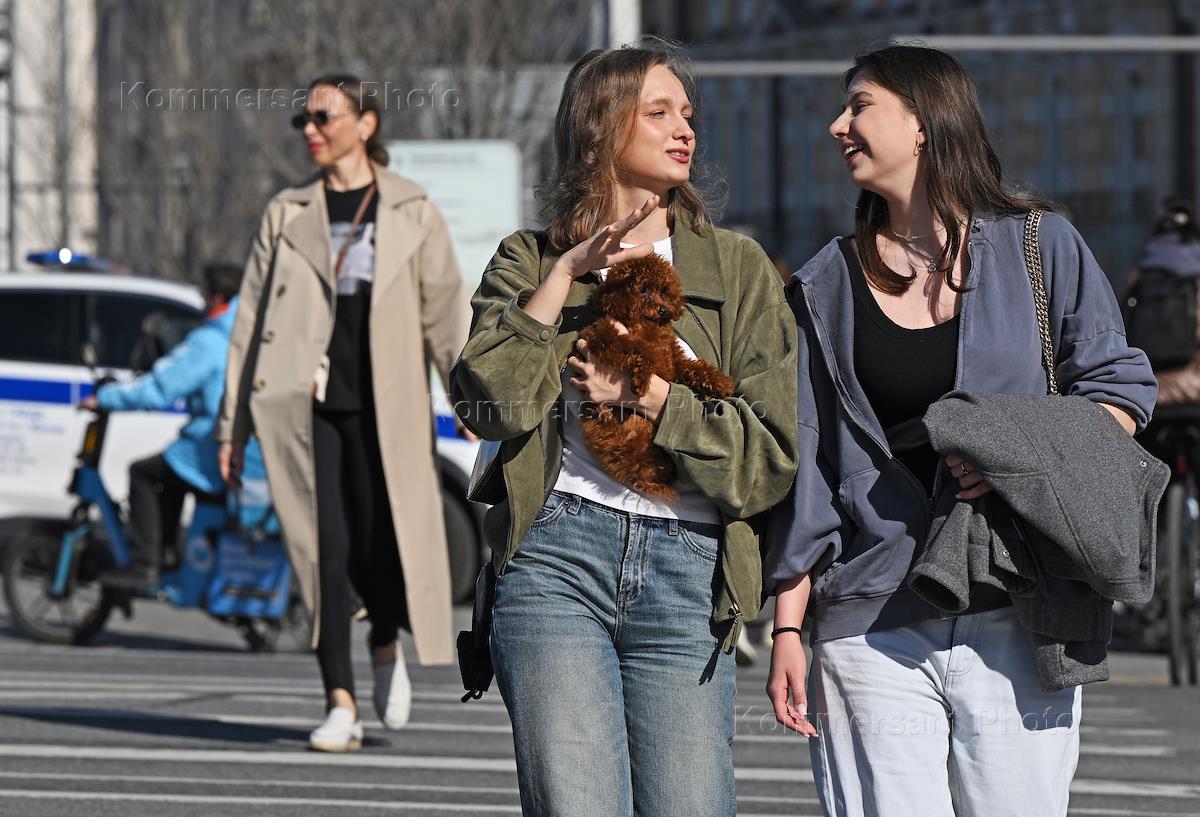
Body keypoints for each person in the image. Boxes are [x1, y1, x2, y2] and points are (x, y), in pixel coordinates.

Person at [763, 44, 1158, 817]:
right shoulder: (824, 284)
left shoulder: (1042, 246)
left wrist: (1021, 451)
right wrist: (786, 625)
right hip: (868, 615)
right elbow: (808, 463)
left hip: (1019, 599)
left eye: (859, 105)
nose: (837, 125)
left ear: (923, 122)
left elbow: (1120, 392)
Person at [450, 42, 798, 817]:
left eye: (689, 115)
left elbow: (771, 458)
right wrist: (562, 277)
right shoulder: (530, 259)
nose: (686, 130)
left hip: (690, 569)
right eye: (660, 112)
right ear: (600, 125)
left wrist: (651, 399)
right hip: (555, 560)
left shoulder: (738, 269)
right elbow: (487, 406)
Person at [215, 73, 470, 753]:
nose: (310, 130)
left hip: (388, 405)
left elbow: (445, 313)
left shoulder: (411, 209)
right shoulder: (286, 212)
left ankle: (385, 641)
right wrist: (230, 426)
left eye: (323, 117)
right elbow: (250, 323)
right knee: (320, 550)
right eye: (303, 119)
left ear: (366, 123)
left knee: (378, 542)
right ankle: (340, 701)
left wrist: (467, 396)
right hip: (304, 408)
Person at [86, 262, 249, 588]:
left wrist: (104, 399)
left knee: (143, 472)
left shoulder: (209, 341)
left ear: (216, 298)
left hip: (209, 445)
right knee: (169, 473)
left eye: (204, 294)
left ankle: (147, 563)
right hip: (236, 445)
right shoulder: (245, 332)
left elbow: (160, 389)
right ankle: (168, 551)